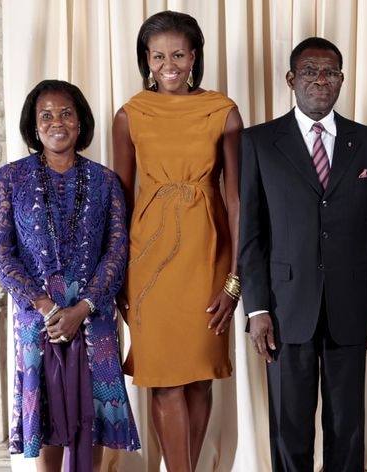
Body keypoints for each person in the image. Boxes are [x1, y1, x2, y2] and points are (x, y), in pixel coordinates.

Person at [239, 37, 367, 472]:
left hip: (352, 305)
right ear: (292, 80)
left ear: (342, 80)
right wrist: (257, 309)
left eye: (329, 72)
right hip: (286, 309)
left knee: (347, 423)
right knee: (290, 424)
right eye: (310, 71)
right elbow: (251, 234)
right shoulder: (259, 142)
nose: (320, 80)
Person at [111, 10, 243, 472]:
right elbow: (119, 201)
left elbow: (236, 197)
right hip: (150, 259)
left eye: (179, 54)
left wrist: (235, 275)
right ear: (146, 59)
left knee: (201, 379)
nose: (169, 64)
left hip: (209, 253)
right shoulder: (130, 115)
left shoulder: (222, 110)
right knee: (166, 381)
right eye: (159, 55)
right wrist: (115, 275)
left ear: (194, 57)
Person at [0, 79, 140, 472]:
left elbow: (117, 249)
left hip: (95, 317)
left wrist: (84, 306)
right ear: (34, 126)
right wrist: (45, 306)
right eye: (47, 115)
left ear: (80, 121)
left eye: (66, 113)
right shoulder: (9, 179)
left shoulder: (106, 181)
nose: (57, 122)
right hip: (38, 320)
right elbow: (1, 252)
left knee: (95, 414)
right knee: (49, 415)